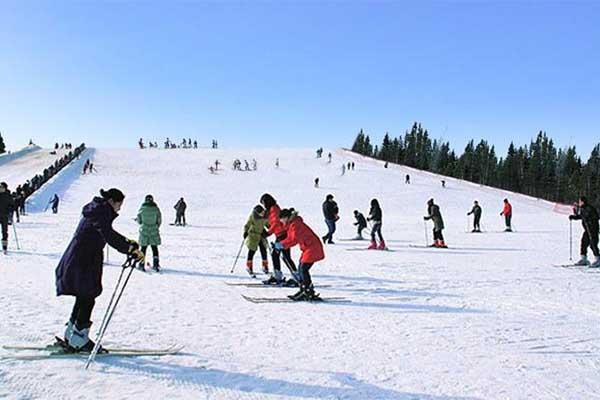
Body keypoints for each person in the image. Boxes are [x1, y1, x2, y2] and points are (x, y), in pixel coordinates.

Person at [55, 188, 145, 352]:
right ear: (112, 201)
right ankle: (78, 339)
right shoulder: (101, 211)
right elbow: (107, 234)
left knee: (84, 295)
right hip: (84, 259)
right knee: (88, 296)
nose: (119, 209)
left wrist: (127, 243)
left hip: (82, 257)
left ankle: (72, 334)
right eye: (119, 204)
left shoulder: (97, 209)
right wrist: (128, 248)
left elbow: (106, 233)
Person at [275, 208, 325, 301]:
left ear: (286, 218)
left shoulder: (295, 224)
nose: (281, 222)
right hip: (309, 248)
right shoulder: (292, 224)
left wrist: (281, 245)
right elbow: (290, 238)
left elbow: (294, 239)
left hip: (312, 247)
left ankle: (307, 291)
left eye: (281, 220)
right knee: (301, 269)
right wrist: (281, 244)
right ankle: (304, 290)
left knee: (303, 269)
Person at [260, 193, 297, 286]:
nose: (263, 205)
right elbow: (272, 223)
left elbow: (276, 223)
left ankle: (296, 276)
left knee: (285, 256)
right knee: (276, 255)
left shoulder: (274, 210)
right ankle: (278, 275)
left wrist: (268, 233)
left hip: (283, 235)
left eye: (263, 203)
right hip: (280, 234)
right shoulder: (272, 210)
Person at [569, 196, 600, 267]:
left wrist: (590, 222)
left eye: (579, 201)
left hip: (593, 230)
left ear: (583, 202)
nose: (579, 203)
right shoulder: (583, 209)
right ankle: (584, 259)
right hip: (587, 229)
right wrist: (573, 217)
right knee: (584, 243)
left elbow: (596, 217)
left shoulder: (589, 208)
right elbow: (581, 216)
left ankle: (598, 259)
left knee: (593, 245)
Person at [136, 194, 162, 272]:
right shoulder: (156, 209)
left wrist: (142, 224)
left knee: (143, 248)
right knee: (154, 248)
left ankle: (141, 264)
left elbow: (139, 220)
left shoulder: (142, 209)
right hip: (154, 229)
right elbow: (159, 220)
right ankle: (156, 264)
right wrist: (156, 226)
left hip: (144, 230)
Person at [243, 205, 269, 276]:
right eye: (261, 213)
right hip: (253, 236)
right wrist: (245, 232)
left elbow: (267, 224)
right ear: (257, 213)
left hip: (261, 235)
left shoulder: (265, 217)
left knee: (263, 250)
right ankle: (249, 266)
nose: (263, 214)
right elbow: (247, 225)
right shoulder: (253, 216)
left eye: (263, 212)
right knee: (252, 251)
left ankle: (265, 266)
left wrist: (268, 230)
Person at [0, 183, 15, 254]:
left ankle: (4, 247)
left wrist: (10, 209)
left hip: (4, 216)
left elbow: (13, 205)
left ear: (5, 188)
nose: (0, 188)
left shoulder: (8, 196)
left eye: (2, 187)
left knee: (4, 232)